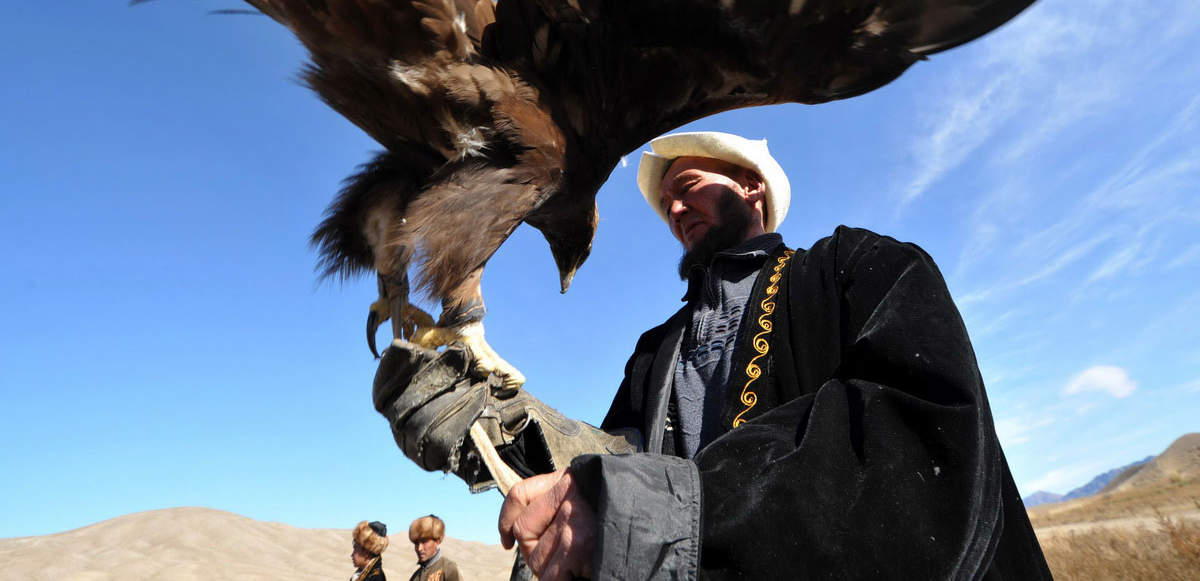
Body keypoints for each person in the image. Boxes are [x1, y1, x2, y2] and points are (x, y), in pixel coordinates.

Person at [377, 131, 1054, 581]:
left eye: (690, 183)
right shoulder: (657, 351)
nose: (672, 204)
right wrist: (498, 432)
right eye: (666, 197)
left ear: (752, 187)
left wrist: (660, 515)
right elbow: (619, 465)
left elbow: (919, 445)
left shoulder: (860, 270)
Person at [408, 515, 461, 581]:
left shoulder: (448, 568)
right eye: (416, 543)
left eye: (424, 541)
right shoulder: (415, 577)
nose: (419, 548)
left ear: (436, 542)